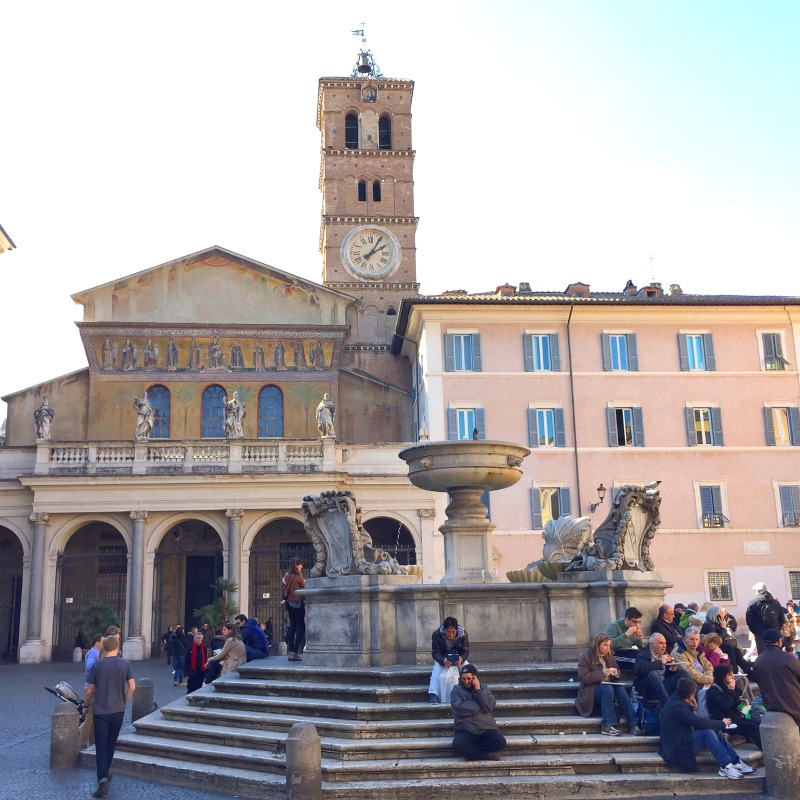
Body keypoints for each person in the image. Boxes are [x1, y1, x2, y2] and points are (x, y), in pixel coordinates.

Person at [659, 677, 754, 779]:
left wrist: (719, 724)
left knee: (714, 730)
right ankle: (725, 766)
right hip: (677, 749)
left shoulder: (675, 701)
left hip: (682, 740)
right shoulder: (678, 708)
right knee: (707, 733)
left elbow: (698, 722)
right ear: (691, 696)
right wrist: (722, 723)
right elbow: (699, 722)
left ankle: (735, 761)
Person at [85, 635, 136, 798]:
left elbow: (89, 689)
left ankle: (102, 780)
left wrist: (86, 704)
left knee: (101, 745)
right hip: (118, 710)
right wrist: (124, 700)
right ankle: (105, 771)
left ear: (104, 648)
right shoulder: (124, 663)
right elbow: (133, 687)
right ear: (117, 647)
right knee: (111, 743)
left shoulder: (98, 665)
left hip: (101, 710)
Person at [576, 633, 641, 736]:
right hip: (591, 689)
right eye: (605, 645)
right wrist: (601, 673)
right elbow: (583, 677)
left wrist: (616, 673)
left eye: (609, 645)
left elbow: (618, 671)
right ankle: (607, 725)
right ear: (598, 645)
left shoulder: (609, 655)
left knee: (621, 690)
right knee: (607, 689)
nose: (607, 648)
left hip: (609, 684)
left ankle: (633, 724)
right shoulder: (586, 657)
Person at [450, 664, 506, 761]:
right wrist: (479, 706)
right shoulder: (456, 690)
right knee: (457, 745)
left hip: (486, 727)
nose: (466, 681)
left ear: (475, 678)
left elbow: (489, 706)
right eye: (463, 679)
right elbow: (458, 708)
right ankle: (487, 756)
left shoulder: (483, 688)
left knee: (500, 742)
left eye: (468, 678)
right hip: (465, 728)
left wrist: (478, 690)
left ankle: (472, 751)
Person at [706, 664, 762, 749]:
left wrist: (742, 702)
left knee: (757, 723)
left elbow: (734, 702)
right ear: (722, 677)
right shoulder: (713, 691)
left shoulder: (727, 687)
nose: (732, 676)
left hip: (734, 719)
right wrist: (731, 690)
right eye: (729, 675)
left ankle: (761, 744)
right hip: (724, 723)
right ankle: (764, 749)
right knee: (752, 727)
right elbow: (725, 705)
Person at [752, 628, 800, 726]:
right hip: (794, 706)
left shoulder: (758, 661)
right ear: (779, 641)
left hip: (772, 706)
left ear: (763, 642)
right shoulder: (790, 659)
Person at [634, 632, 685, 706]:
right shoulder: (642, 654)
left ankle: (684, 703)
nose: (664, 646)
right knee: (653, 674)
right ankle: (668, 706)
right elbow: (639, 670)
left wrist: (672, 669)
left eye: (665, 643)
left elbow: (667, 674)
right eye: (660, 643)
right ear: (652, 644)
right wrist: (660, 662)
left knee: (683, 673)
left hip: (663, 686)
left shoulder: (664, 653)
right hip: (648, 689)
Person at [700, 604, 752, 676]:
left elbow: (731, 630)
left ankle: (750, 673)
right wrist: (723, 628)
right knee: (730, 649)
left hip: (721, 645)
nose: (723, 615)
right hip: (712, 646)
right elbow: (716, 640)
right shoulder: (709, 625)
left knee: (736, 651)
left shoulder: (717, 623)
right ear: (715, 614)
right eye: (721, 613)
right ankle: (734, 672)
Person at [428, 616, 470, 703]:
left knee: (467, 667)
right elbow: (435, 653)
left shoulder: (463, 635)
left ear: (457, 630)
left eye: (453, 632)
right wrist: (443, 660)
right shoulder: (436, 635)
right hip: (444, 657)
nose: (451, 634)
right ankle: (433, 693)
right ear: (444, 630)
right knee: (437, 668)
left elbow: (465, 651)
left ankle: (472, 689)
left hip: (458, 657)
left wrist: (461, 659)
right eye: (448, 632)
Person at [746, 581, 785, 656]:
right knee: (776, 654)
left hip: (760, 632)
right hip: (774, 631)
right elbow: (782, 619)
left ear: (758, 590)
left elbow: (749, 619)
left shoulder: (753, 602)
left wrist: (755, 631)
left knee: (763, 654)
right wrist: (777, 628)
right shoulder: (776, 602)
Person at [79, 634, 104, 748]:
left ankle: (93, 742)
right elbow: (89, 666)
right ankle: (81, 744)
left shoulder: (97, 653)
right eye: (102, 641)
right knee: (89, 719)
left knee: (93, 719)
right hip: (91, 688)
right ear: (96, 642)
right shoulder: (93, 653)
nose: (103, 644)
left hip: (94, 688)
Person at [282, 559, 306, 661]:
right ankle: (295, 651)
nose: (302, 567)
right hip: (298, 604)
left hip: (289, 604)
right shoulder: (298, 577)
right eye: (300, 565)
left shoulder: (287, 576)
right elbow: (305, 586)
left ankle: (290, 651)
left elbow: (284, 582)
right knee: (301, 627)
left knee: (292, 626)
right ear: (296, 565)